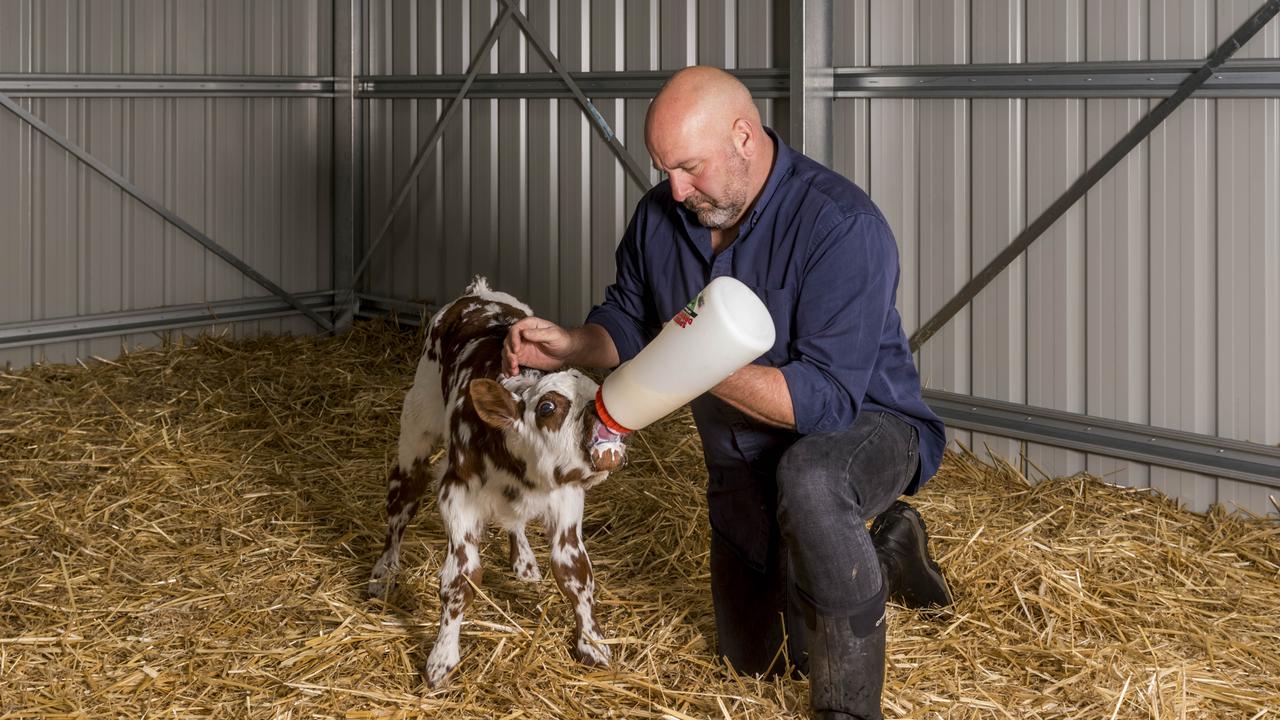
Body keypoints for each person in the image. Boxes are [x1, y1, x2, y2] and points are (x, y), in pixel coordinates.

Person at [503, 65, 950, 720]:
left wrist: (693, 358)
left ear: (744, 136)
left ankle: (849, 710)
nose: (675, 189)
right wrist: (572, 345)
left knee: (813, 483)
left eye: (689, 167)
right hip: (742, 457)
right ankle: (887, 551)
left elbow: (824, 403)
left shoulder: (841, 226)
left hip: (864, 430)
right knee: (756, 660)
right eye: (664, 169)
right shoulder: (663, 216)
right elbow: (628, 322)